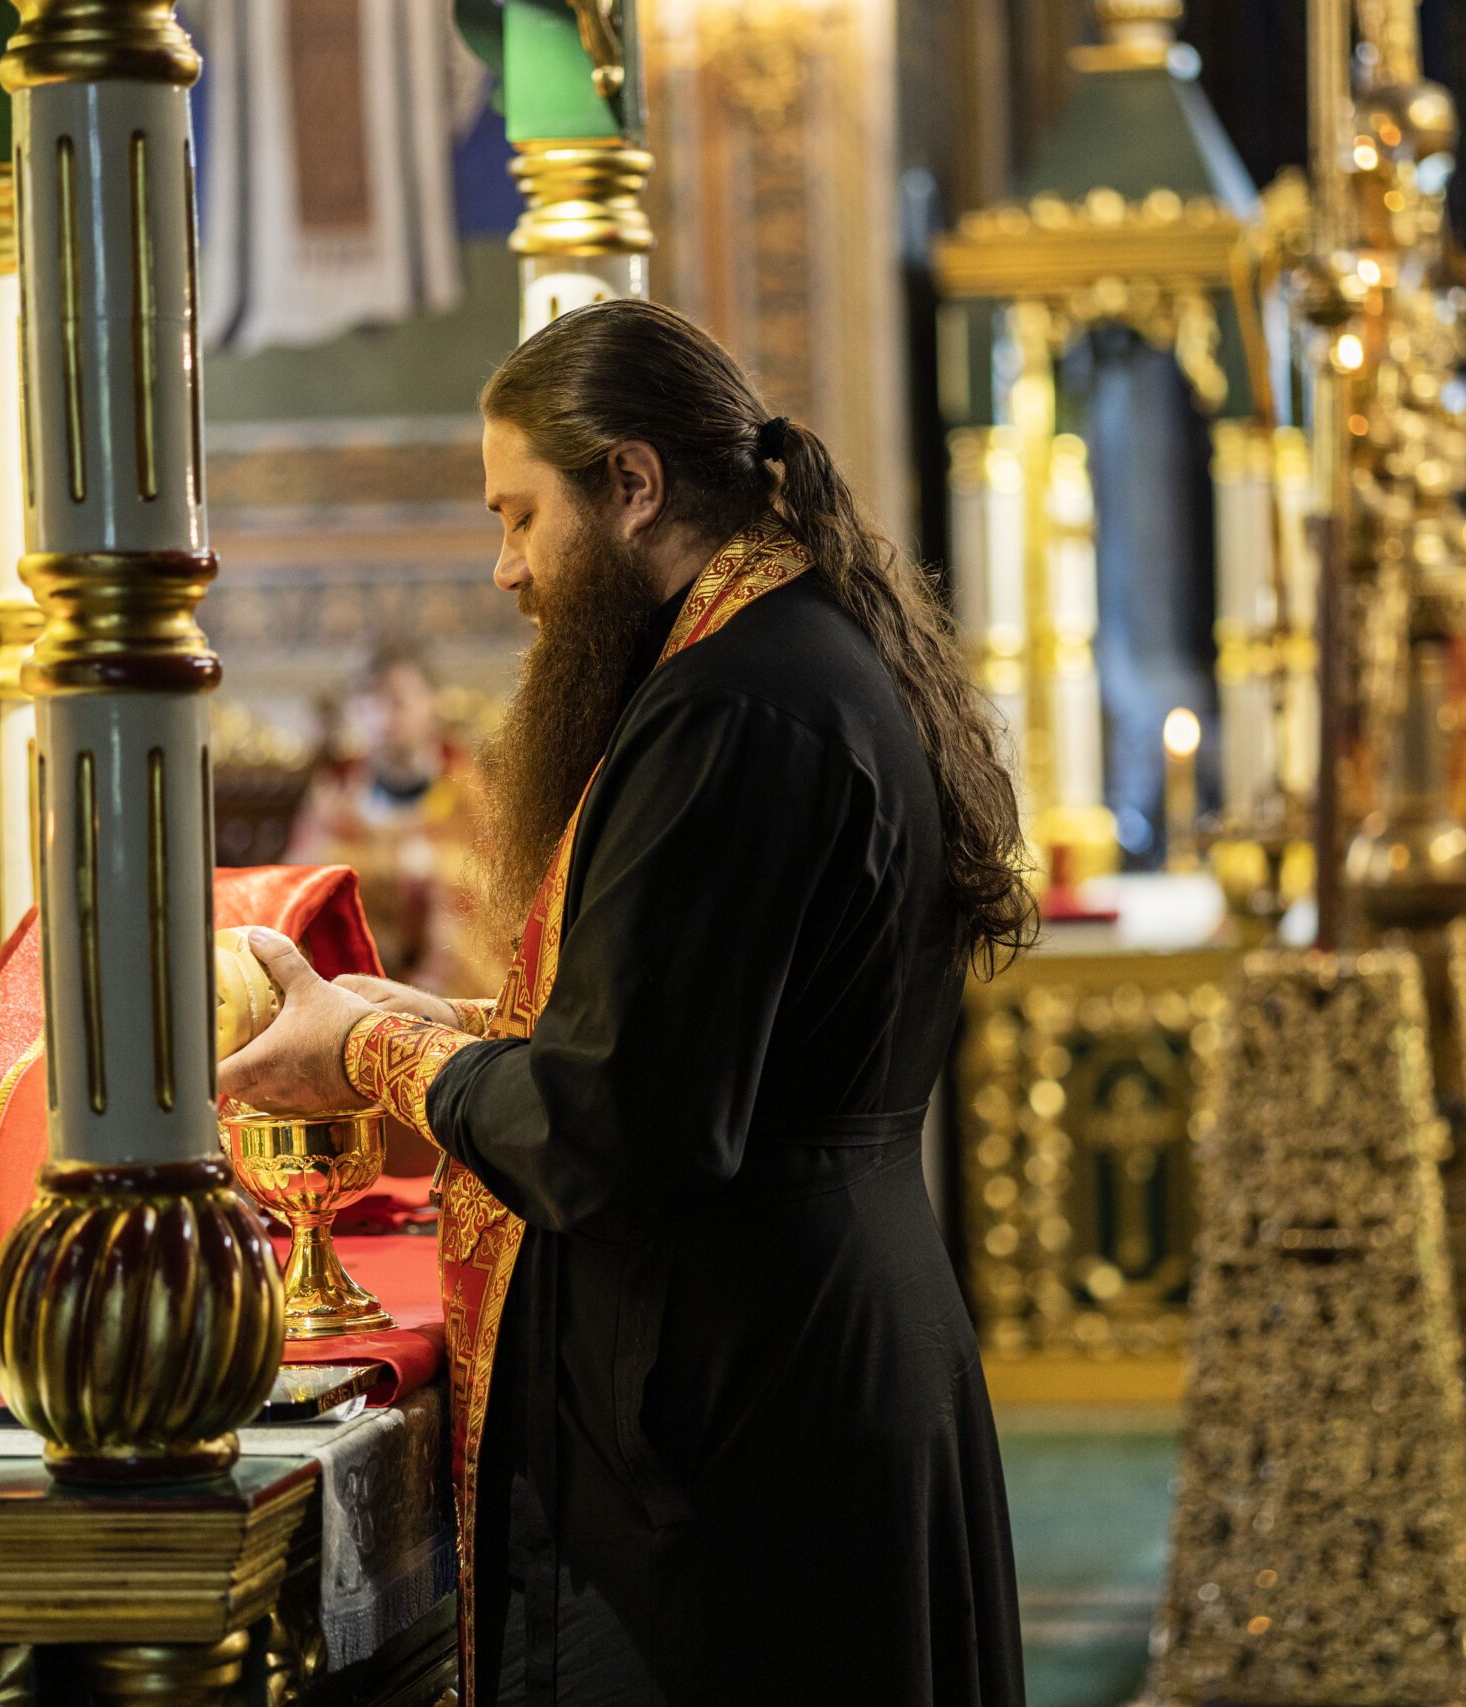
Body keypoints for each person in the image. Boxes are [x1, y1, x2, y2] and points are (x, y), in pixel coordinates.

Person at [219, 301, 1033, 1706]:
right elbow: (696, 1044)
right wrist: (451, 1026)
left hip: (751, 1413)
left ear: (634, 486)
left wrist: (369, 1047)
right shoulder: (789, 654)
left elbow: (620, 1124)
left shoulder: (732, 706)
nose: (506, 567)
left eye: (522, 517)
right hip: (812, 1344)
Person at [287, 641, 503, 1008]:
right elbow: (302, 884)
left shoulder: (470, 791)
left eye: (397, 702)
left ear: (434, 703)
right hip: (352, 998)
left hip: (451, 999)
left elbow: (492, 892)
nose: (382, 719)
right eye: (369, 703)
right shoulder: (336, 794)